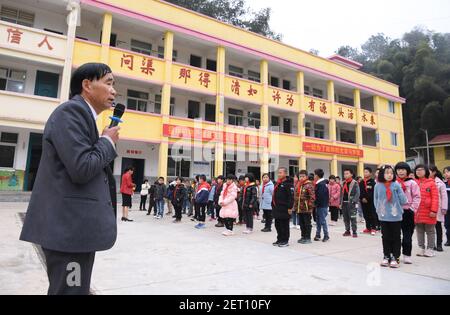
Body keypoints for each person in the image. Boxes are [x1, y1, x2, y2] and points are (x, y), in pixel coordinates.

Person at [20, 63, 119, 295]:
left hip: (75, 232)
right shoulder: (71, 112)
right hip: (68, 233)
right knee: (70, 291)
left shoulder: (84, 117)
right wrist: (107, 142)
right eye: (108, 83)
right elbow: (82, 167)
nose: (114, 91)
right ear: (87, 85)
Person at [374, 165, 408, 268]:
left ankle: (395, 257)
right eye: (387, 173)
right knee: (385, 237)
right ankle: (386, 256)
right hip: (383, 216)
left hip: (395, 216)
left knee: (396, 237)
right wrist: (378, 210)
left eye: (391, 173)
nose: (389, 175)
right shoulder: (377, 186)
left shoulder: (396, 185)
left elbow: (404, 200)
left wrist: (399, 190)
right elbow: (376, 199)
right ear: (381, 174)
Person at [395, 162, 421, 264]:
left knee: (407, 235)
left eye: (403, 169)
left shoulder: (412, 183)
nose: (400, 171)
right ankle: (395, 254)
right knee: (395, 235)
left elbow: (417, 197)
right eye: (398, 169)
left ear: (408, 171)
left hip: (408, 212)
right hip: (395, 212)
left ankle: (407, 255)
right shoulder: (394, 183)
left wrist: (412, 209)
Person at [414, 165, 439, 258]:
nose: (419, 171)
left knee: (430, 231)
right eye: (417, 170)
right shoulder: (414, 182)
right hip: (417, 211)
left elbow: (435, 198)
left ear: (426, 171)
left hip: (429, 211)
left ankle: (430, 249)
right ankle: (421, 248)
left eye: (421, 170)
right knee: (419, 230)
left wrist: (434, 210)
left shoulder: (431, 183)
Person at [272, 167, 294, 248]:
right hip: (277, 208)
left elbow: (291, 197)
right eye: (278, 172)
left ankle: (285, 240)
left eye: (281, 172)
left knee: (284, 225)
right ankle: (279, 239)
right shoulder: (278, 183)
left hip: (284, 208)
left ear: (285, 174)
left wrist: (290, 207)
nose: (279, 174)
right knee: (277, 225)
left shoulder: (289, 184)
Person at [430, 165, 448, 252]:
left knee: (438, 226)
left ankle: (439, 244)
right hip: (428, 208)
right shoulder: (425, 181)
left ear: (434, 172)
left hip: (438, 207)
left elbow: (444, 197)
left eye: (429, 171)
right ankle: (432, 244)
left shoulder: (440, 183)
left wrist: (444, 208)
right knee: (430, 228)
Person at [294, 170, 315, 244]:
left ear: (306, 176)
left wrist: (309, 206)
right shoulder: (298, 184)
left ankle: (308, 237)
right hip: (299, 208)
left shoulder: (309, 185)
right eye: (300, 176)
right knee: (301, 223)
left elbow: (312, 197)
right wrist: (295, 206)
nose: (301, 178)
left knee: (307, 223)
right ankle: (303, 236)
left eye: (303, 176)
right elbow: (296, 196)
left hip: (306, 208)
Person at [341, 169, 360, 238]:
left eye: (347, 173)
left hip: (351, 203)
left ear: (351, 174)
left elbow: (357, 193)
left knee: (353, 217)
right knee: (345, 218)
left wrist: (354, 201)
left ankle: (354, 231)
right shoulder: (343, 183)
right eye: (344, 174)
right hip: (344, 203)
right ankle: (347, 230)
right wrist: (340, 202)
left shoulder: (355, 183)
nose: (345, 175)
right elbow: (341, 194)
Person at [360, 167, 378, 235]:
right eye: (364, 172)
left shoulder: (373, 182)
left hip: (371, 202)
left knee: (372, 214)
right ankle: (368, 228)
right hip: (363, 201)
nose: (365, 173)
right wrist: (362, 198)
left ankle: (373, 228)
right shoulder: (361, 182)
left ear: (370, 173)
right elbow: (360, 191)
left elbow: (373, 192)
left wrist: (367, 198)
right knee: (366, 214)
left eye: (367, 172)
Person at [314, 169, 330, 242]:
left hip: (322, 205)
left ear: (317, 175)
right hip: (320, 205)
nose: (314, 176)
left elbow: (320, 196)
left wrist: (316, 203)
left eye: (314, 175)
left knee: (322, 221)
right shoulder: (321, 183)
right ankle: (318, 234)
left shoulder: (321, 184)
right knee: (318, 220)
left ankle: (326, 235)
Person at [444, 166, 450, 247]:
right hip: (447, 208)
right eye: (444, 172)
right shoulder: (444, 183)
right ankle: (449, 240)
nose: (445, 174)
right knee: (447, 224)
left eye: (447, 172)